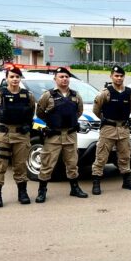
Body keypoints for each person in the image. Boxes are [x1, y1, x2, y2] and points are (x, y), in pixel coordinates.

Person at [36, 67, 89, 202]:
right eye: (61, 77)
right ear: (55, 79)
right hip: (53, 135)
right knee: (47, 163)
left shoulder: (76, 95)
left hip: (70, 135)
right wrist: (53, 121)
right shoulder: (48, 95)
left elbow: (79, 112)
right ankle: (42, 191)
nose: (64, 79)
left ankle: (74, 188)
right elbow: (40, 112)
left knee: (72, 163)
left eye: (66, 77)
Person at [0, 65, 36, 208]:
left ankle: (22, 193)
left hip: (21, 135)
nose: (15, 79)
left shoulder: (28, 96)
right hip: (3, 134)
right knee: (0, 165)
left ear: (20, 78)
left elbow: (31, 112)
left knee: (20, 165)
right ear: (6, 78)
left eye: (17, 76)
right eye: (12, 76)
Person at [91, 65, 131, 194]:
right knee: (101, 157)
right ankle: (96, 182)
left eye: (121, 76)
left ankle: (127, 181)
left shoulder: (129, 92)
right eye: (116, 76)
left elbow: (130, 108)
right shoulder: (105, 93)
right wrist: (107, 119)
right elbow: (96, 110)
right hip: (108, 129)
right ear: (111, 76)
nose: (119, 78)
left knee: (125, 156)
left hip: (123, 129)